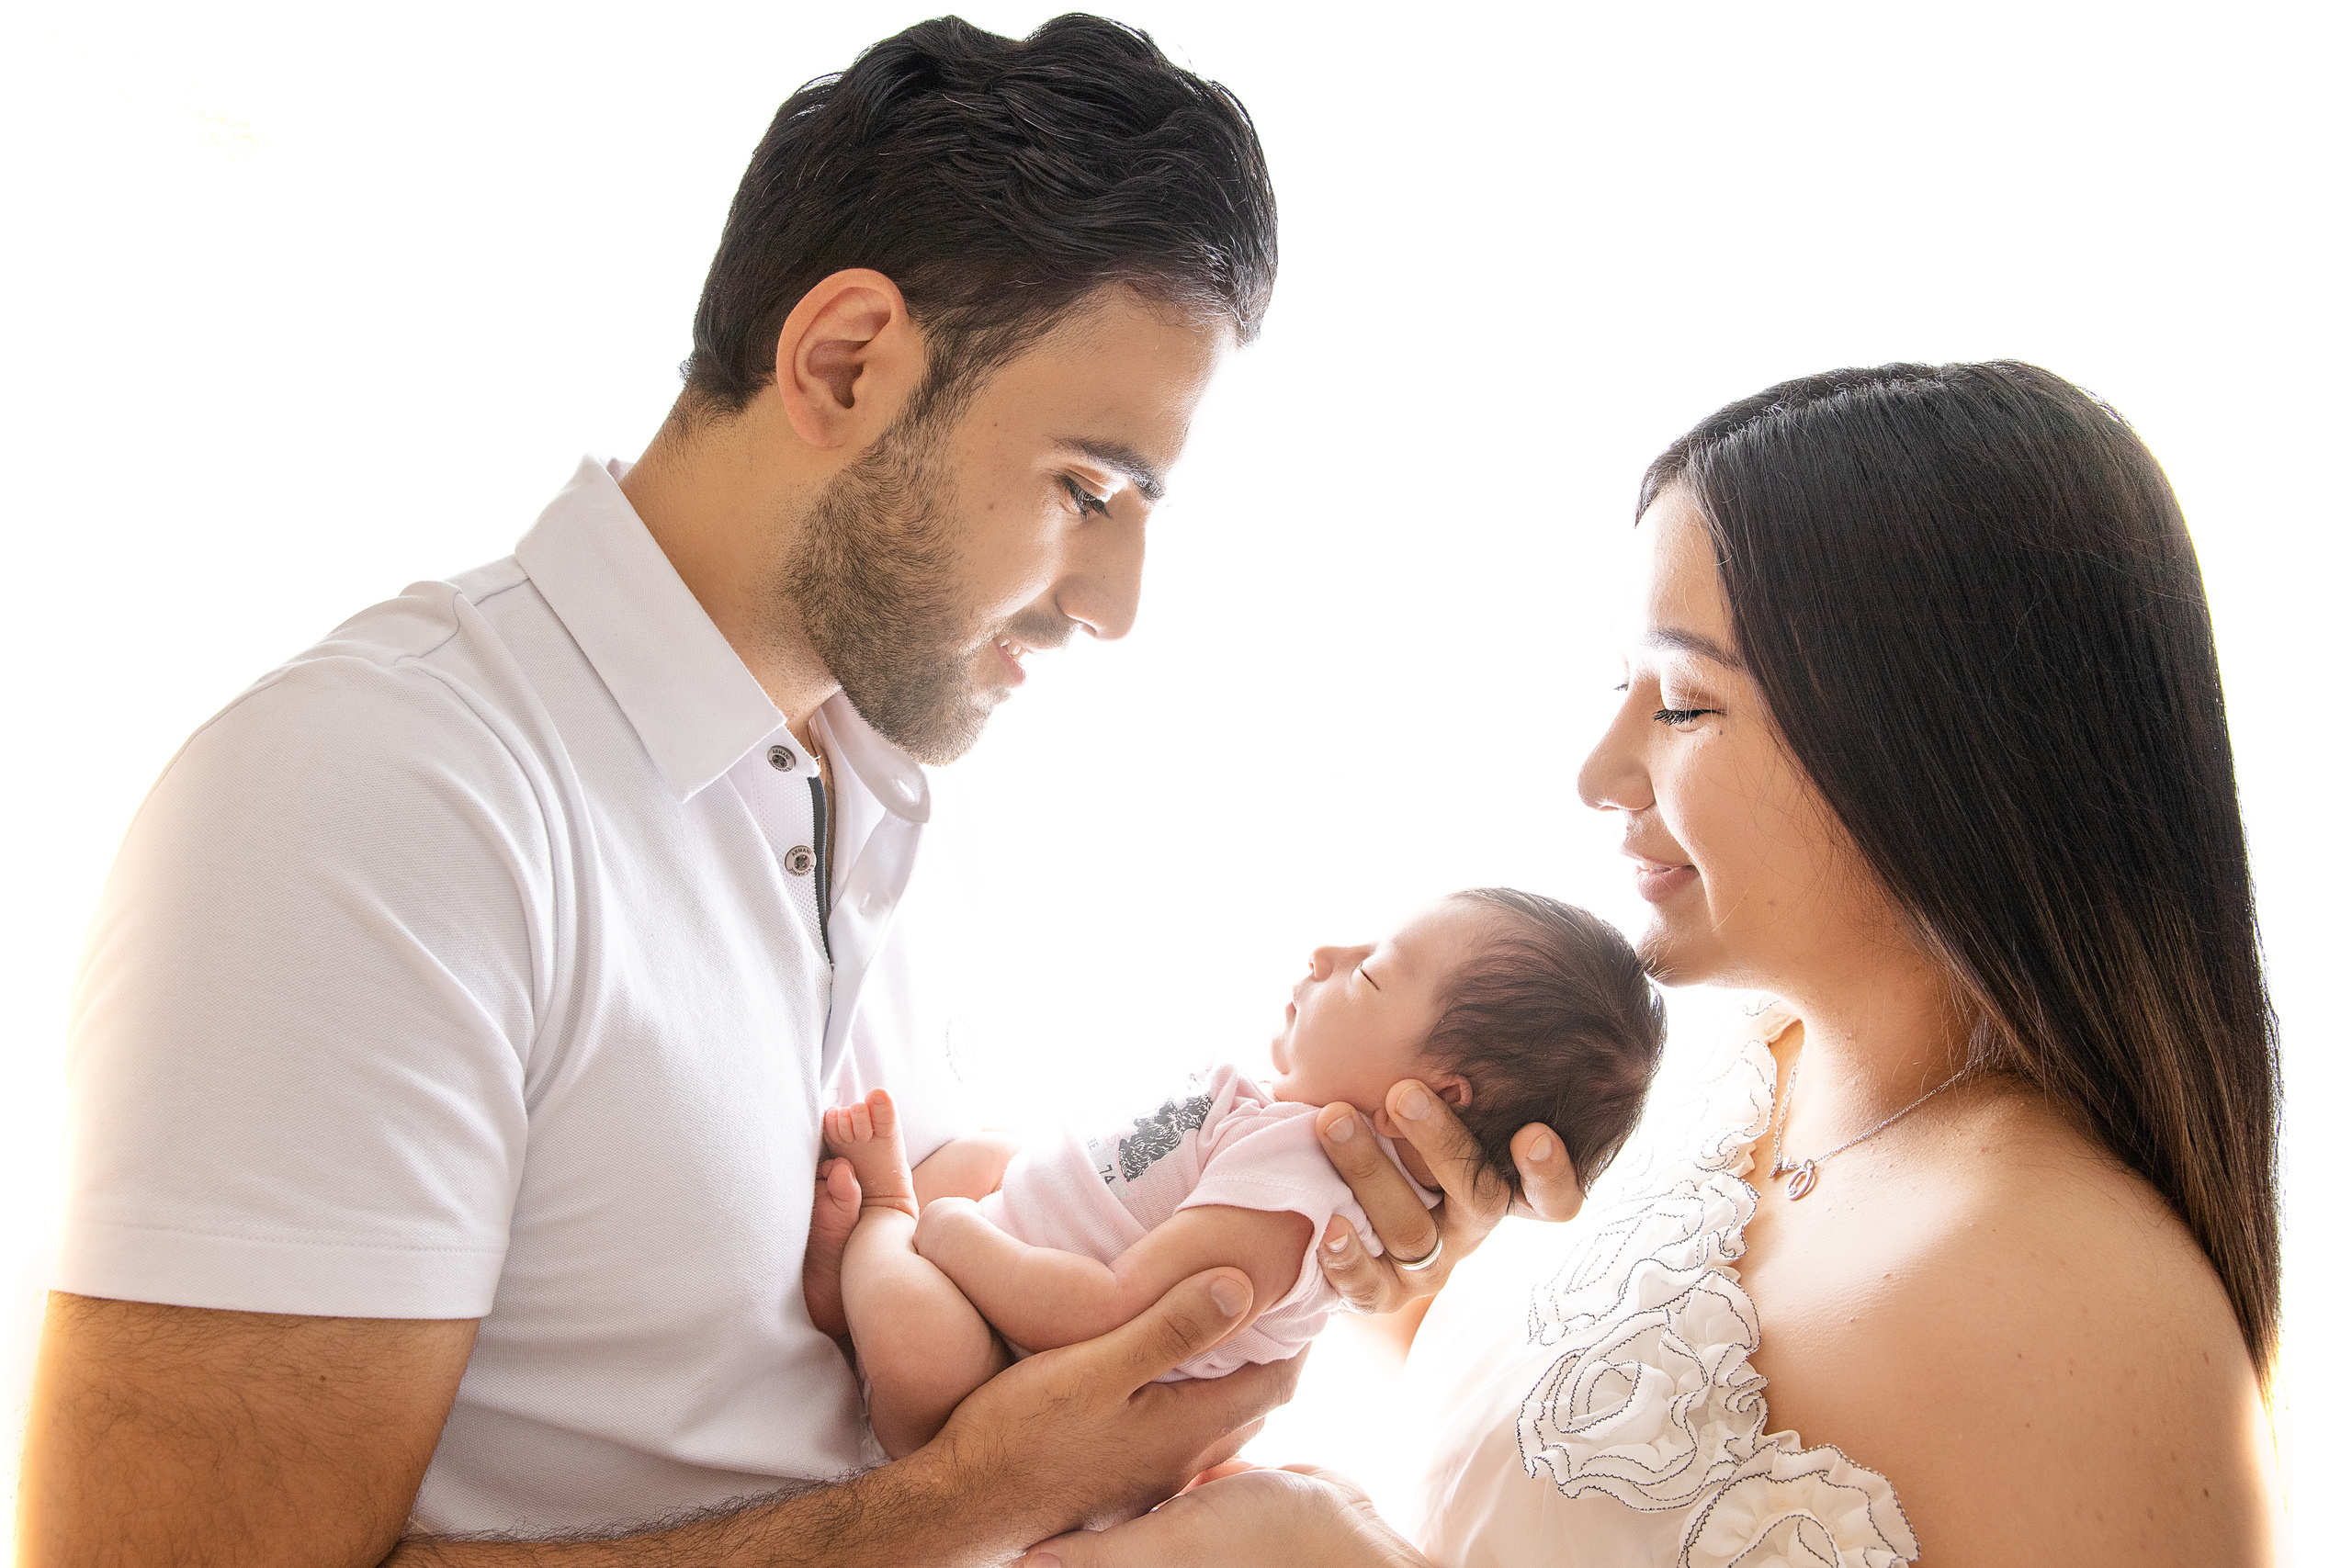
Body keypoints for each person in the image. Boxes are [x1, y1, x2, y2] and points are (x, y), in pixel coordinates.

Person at [14, 15, 1355, 1563]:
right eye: (1086, 491)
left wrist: (1296, 1186)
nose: (1115, 603)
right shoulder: (377, 804)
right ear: (843, 361)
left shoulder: (896, 790)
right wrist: (984, 1495)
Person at [1029, 361, 2285, 1566]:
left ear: (1938, 748)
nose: (1596, 773)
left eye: (1682, 702)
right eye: (1621, 685)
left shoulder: (2087, 1313)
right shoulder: (1709, 1083)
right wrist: (1402, 1292)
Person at [818, 889, 1664, 1457]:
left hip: (1007, 1356)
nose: (1330, 951)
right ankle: (845, 1291)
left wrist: (945, 1226)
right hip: (1020, 1253)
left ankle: (878, 1228)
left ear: (1431, 1099)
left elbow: (1105, 1314)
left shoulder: (1298, 1200)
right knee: (988, 1153)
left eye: (1369, 974)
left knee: (922, 1350)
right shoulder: (1284, 1125)